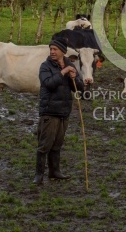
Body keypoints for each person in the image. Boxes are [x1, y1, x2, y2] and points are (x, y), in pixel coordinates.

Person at [33, 37, 84, 185]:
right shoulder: (45, 66)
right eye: (51, 49)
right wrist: (63, 72)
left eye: (55, 49)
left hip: (64, 112)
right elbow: (48, 84)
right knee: (44, 145)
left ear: (63, 51)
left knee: (57, 144)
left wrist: (75, 78)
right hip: (49, 112)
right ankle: (38, 175)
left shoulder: (70, 65)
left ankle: (54, 171)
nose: (52, 52)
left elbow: (78, 88)